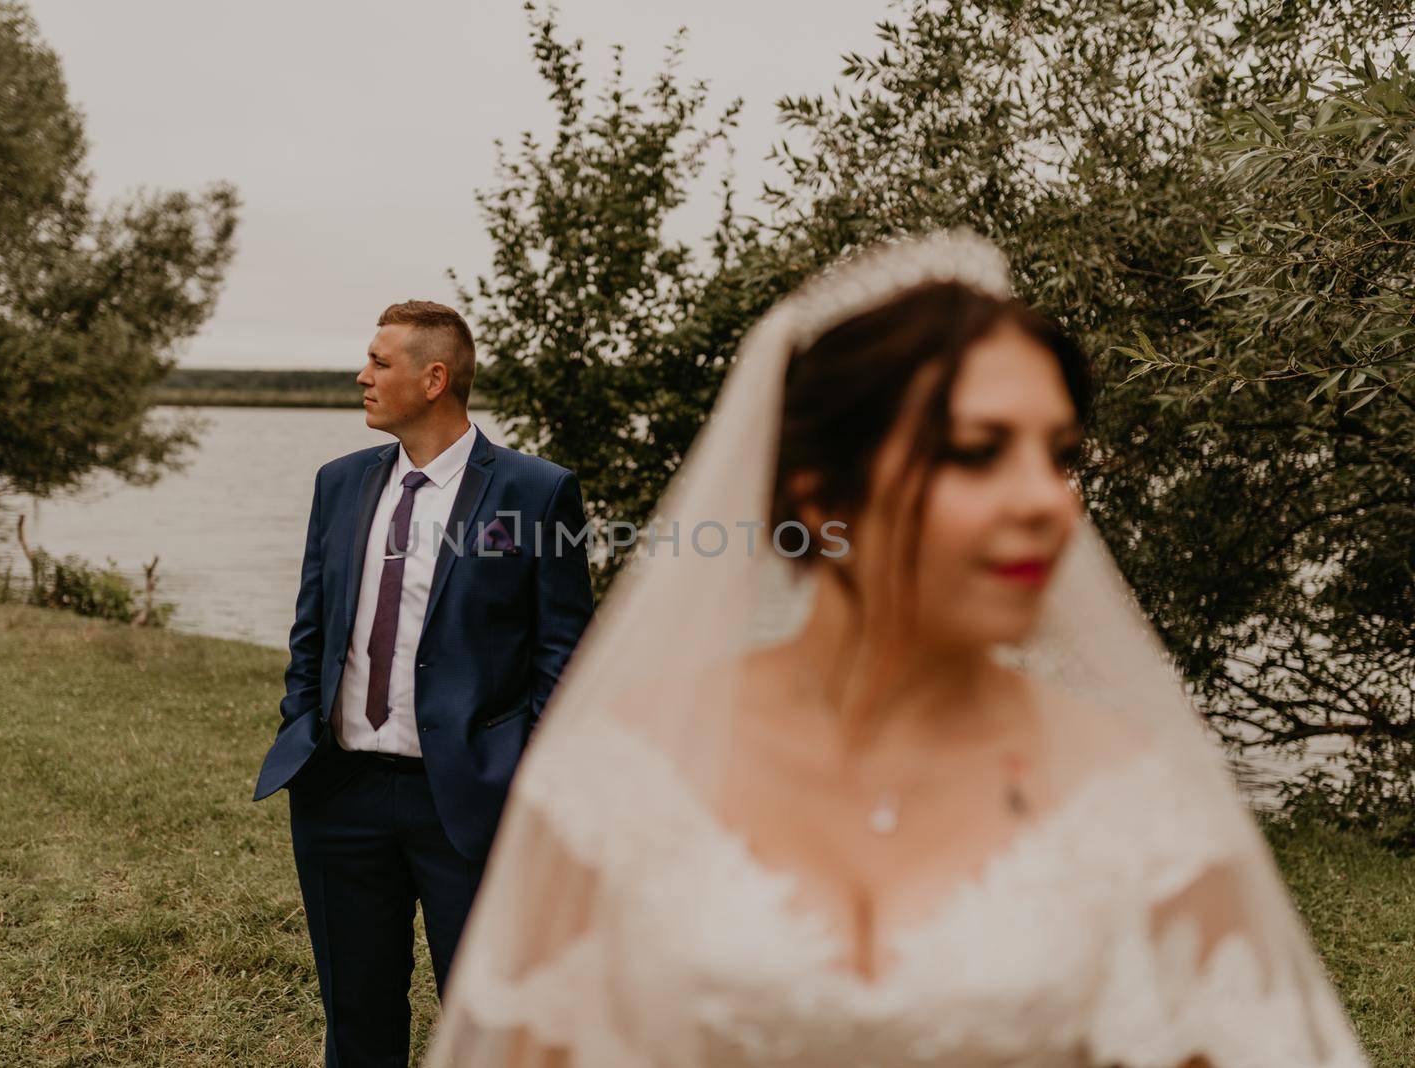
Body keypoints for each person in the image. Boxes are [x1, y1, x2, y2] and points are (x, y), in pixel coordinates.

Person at [423, 233, 1368, 1067]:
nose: (1049, 502)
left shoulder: (1137, 800)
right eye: (976, 451)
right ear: (821, 496)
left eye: (1062, 455)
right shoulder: (622, 781)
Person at [253, 300, 596, 1068]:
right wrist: (301, 724)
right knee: (357, 1014)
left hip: (468, 800)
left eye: (379, 362)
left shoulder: (537, 494)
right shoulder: (338, 484)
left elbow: (565, 656)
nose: (361, 376)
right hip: (339, 794)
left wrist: (521, 777)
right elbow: (312, 628)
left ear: (433, 378)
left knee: (487, 1022)